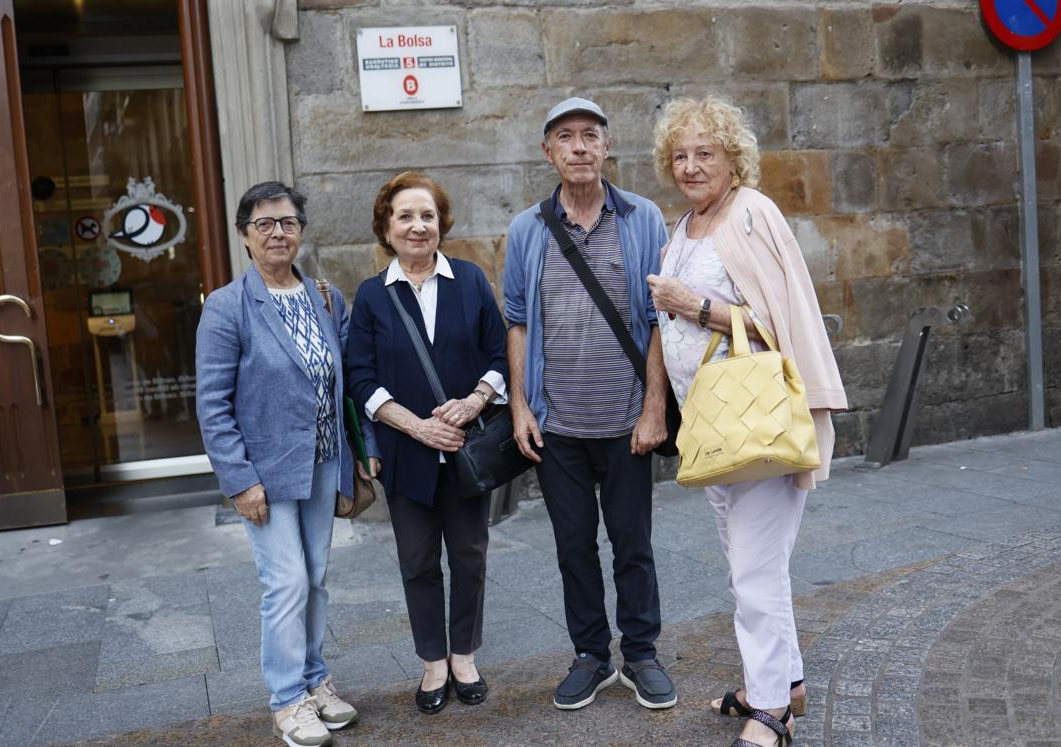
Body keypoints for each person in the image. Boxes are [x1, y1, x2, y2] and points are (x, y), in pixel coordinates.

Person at [647, 96, 847, 747]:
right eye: (680, 155)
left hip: (758, 423)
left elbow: (780, 322)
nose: (691, 165)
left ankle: (770, 712)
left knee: (757, 571)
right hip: (715, 427)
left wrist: (696, 305)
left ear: (734, 156)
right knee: (750, 567)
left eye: (705, 152)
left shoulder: (752, 214)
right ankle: (785, 682)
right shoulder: (686, 225)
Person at [503, 97, 678, 712]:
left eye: (590, 136)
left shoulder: (643, 219)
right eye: (566, 137)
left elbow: (661, 318)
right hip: (558, 426)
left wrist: (654, 406)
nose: (579, 147)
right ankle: (590, 654)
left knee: (633, 541)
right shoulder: (528, 228)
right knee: (572, 544)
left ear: (607, 147)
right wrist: (521, 407)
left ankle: (642, 654)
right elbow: (518, 323)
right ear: (547, 151)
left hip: (627, 419)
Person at [196, 181, 379, 747]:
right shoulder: (228, 307)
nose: (278, 233)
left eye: (288, 222)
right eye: (264, 224)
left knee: (317, 578)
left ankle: (314, 680)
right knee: (287, 582)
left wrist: (359, 453)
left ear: (301, 230)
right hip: (266, 473)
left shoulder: (325, 297)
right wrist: (239, 480)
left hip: (323, 462)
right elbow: (212, 404)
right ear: (245, 236)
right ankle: (286, 700)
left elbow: (347, 383)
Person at [346, 171, 508, 715]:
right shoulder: (372, 295)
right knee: (417, 560)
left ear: (442, 224)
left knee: (468, 554)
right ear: (386, 228)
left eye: (428, 216)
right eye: (406, 216)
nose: (418, 226)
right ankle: (432, 661)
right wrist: (417, 426)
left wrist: (472, 404)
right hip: (406, 452)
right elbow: (360, 378)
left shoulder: (470, 280)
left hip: (467, 449)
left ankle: (463, 655)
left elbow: (498, 355)